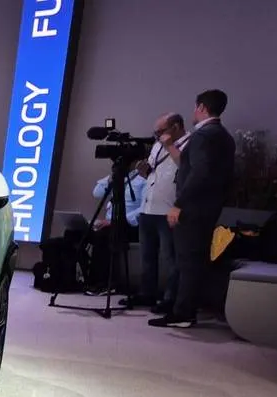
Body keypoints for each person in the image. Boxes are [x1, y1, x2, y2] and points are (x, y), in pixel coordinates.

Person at [152, 89, 235, 329]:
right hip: (210, 207)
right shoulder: (225, 136)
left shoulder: (203, 136)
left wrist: (179, 204)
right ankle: (185, 309)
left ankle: (183, 313)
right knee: (194, 260)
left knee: (188, 261)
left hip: (194, 208)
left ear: (201, 107)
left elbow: (199, 173)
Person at [126, 112, 188, 312]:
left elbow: (187, 168)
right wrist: (143, 170)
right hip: (148, 207)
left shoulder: (190, 143)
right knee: (147, 255)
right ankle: (147, 293)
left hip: (169, 209)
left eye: (160, 131)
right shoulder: (156, 146)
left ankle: (170, 298)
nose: (157, 136)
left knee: (170, 257)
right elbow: (153, 173)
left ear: (176, 127)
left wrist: (170, 146)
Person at [83, 165, 146, 295]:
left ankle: (103, 283)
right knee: (76, 232)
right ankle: (77, 278)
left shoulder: (143, 181)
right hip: (109, 222)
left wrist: (115, 221)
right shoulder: (117, 179)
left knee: (103, 235)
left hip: (129, 225)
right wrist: (111, 178)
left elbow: (143, 210)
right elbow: (97, 193)